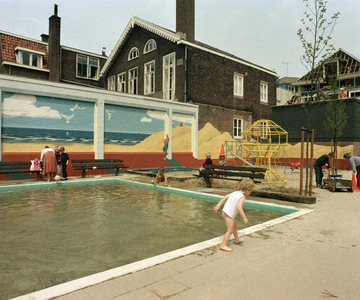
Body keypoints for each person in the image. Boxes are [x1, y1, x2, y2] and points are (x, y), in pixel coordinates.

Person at [213, 178, 255, 252]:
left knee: (235, 226)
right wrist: (244, 217)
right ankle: (224, 245)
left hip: (225, 213)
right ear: (247, 190)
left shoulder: (235, 192)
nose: (250, 193)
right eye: (250, 192)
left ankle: (237, 239)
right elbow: (239, 208)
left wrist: (218, 205)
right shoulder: (242, 197)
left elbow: (226, 196)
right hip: (229, 215)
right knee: (230, 230)